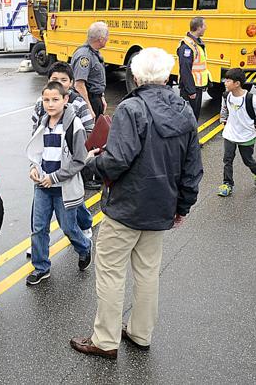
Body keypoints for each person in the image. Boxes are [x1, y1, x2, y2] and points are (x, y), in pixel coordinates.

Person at [71, 47, 202, 360]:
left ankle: (105, 340)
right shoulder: (184, 110)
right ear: (167, 75)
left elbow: (116, 161)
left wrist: (91, 163)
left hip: (126, 207)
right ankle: (141, 334)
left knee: (112, 274)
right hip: (161, 208)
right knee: (147, 274)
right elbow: (192, 167)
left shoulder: (132, 108)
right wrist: (182, 206)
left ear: (137, 76)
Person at [25, 81, 93, 286]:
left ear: (65, 100)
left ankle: (84, 247)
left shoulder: (74, 125)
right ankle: (41, 267)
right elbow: (36, 153)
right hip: (42, 187)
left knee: (68, 227)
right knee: (39, 228)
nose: (50, 104)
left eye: (55, 99)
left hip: (63, 187)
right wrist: (33, 168)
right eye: (46, 100)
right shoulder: (43, 124)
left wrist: (54, 177)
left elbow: (79, 160)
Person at [30, 61, 97, 235]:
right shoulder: (41, 103)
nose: (59, 83)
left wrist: (83, 152)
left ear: (72, 83)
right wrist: (34, 162)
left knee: (73, 195)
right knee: (40, 199)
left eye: (64, 79)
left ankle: (84, 224)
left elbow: (89, 129)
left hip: (71, 159)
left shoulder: (78, 103)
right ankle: (37, 236)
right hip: (47, 160)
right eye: (54, 79)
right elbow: (35, 130)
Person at [217, 68, 256, 197]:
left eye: (228, 80)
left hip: (246, 135)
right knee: (227, 160)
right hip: (230, 134)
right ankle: (227, 184)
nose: (225, 82)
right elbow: (224, 108)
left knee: (247, 160)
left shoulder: (250, 98)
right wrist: (223, 119)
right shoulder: (226, 95)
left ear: (237, 83)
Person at [69, 22, 109, 118]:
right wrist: (88, 109)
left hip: (96, 98)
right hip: (89, 100)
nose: (108, 39)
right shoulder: (84, 56)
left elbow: (96, 79)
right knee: (90, 132)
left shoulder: (94, 53)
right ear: (101, 39)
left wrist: (101, 97)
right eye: (107, 36)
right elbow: (79, 85)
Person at [177, 16, 210, 120]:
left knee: (194, 118)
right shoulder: (187, 46)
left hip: (196, 87)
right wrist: (191, 91)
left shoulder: (196, 43)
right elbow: (185, 70)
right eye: (204, 25)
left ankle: (193, 136)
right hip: (190, 89)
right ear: (199, 27)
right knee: (189, 119)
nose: (206, 27)